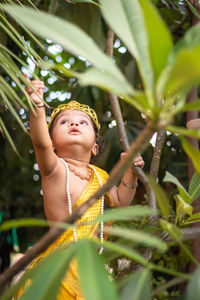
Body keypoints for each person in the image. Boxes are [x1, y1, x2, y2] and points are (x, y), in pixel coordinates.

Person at [15, 77, 144, 299]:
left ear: (95, 146)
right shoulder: (55, 169)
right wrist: (36, 106)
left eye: (83, 123)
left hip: (91, 272)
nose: (74, 124)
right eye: (64, 122)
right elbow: (40, 143)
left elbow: (122, 201)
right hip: (58, 272)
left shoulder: (102, 177)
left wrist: (131, 171)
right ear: (53, 143)